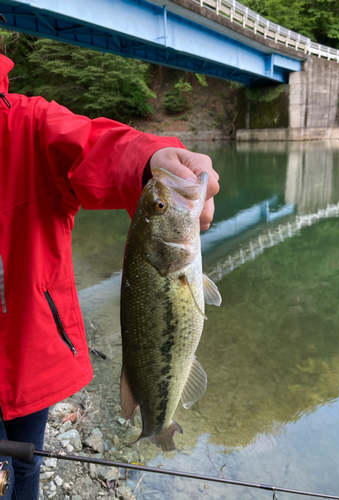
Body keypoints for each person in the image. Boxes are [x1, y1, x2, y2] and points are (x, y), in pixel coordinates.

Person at [0, 52, 219, 500]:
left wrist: (152, 161)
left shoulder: (26, 124)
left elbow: (99, 147)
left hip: (29, 351)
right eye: (161, 206)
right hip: (34, 351)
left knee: (28, 463)